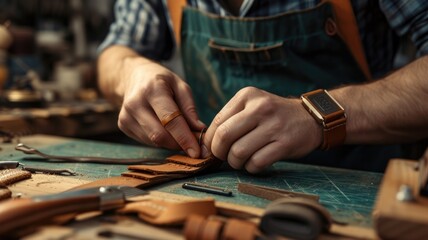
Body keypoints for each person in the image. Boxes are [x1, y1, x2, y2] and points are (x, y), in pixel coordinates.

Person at [97, 0, 428, 173]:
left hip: (352, 183)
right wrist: (132, 71)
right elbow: (116, 50)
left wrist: (315, 116)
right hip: (212, 183)